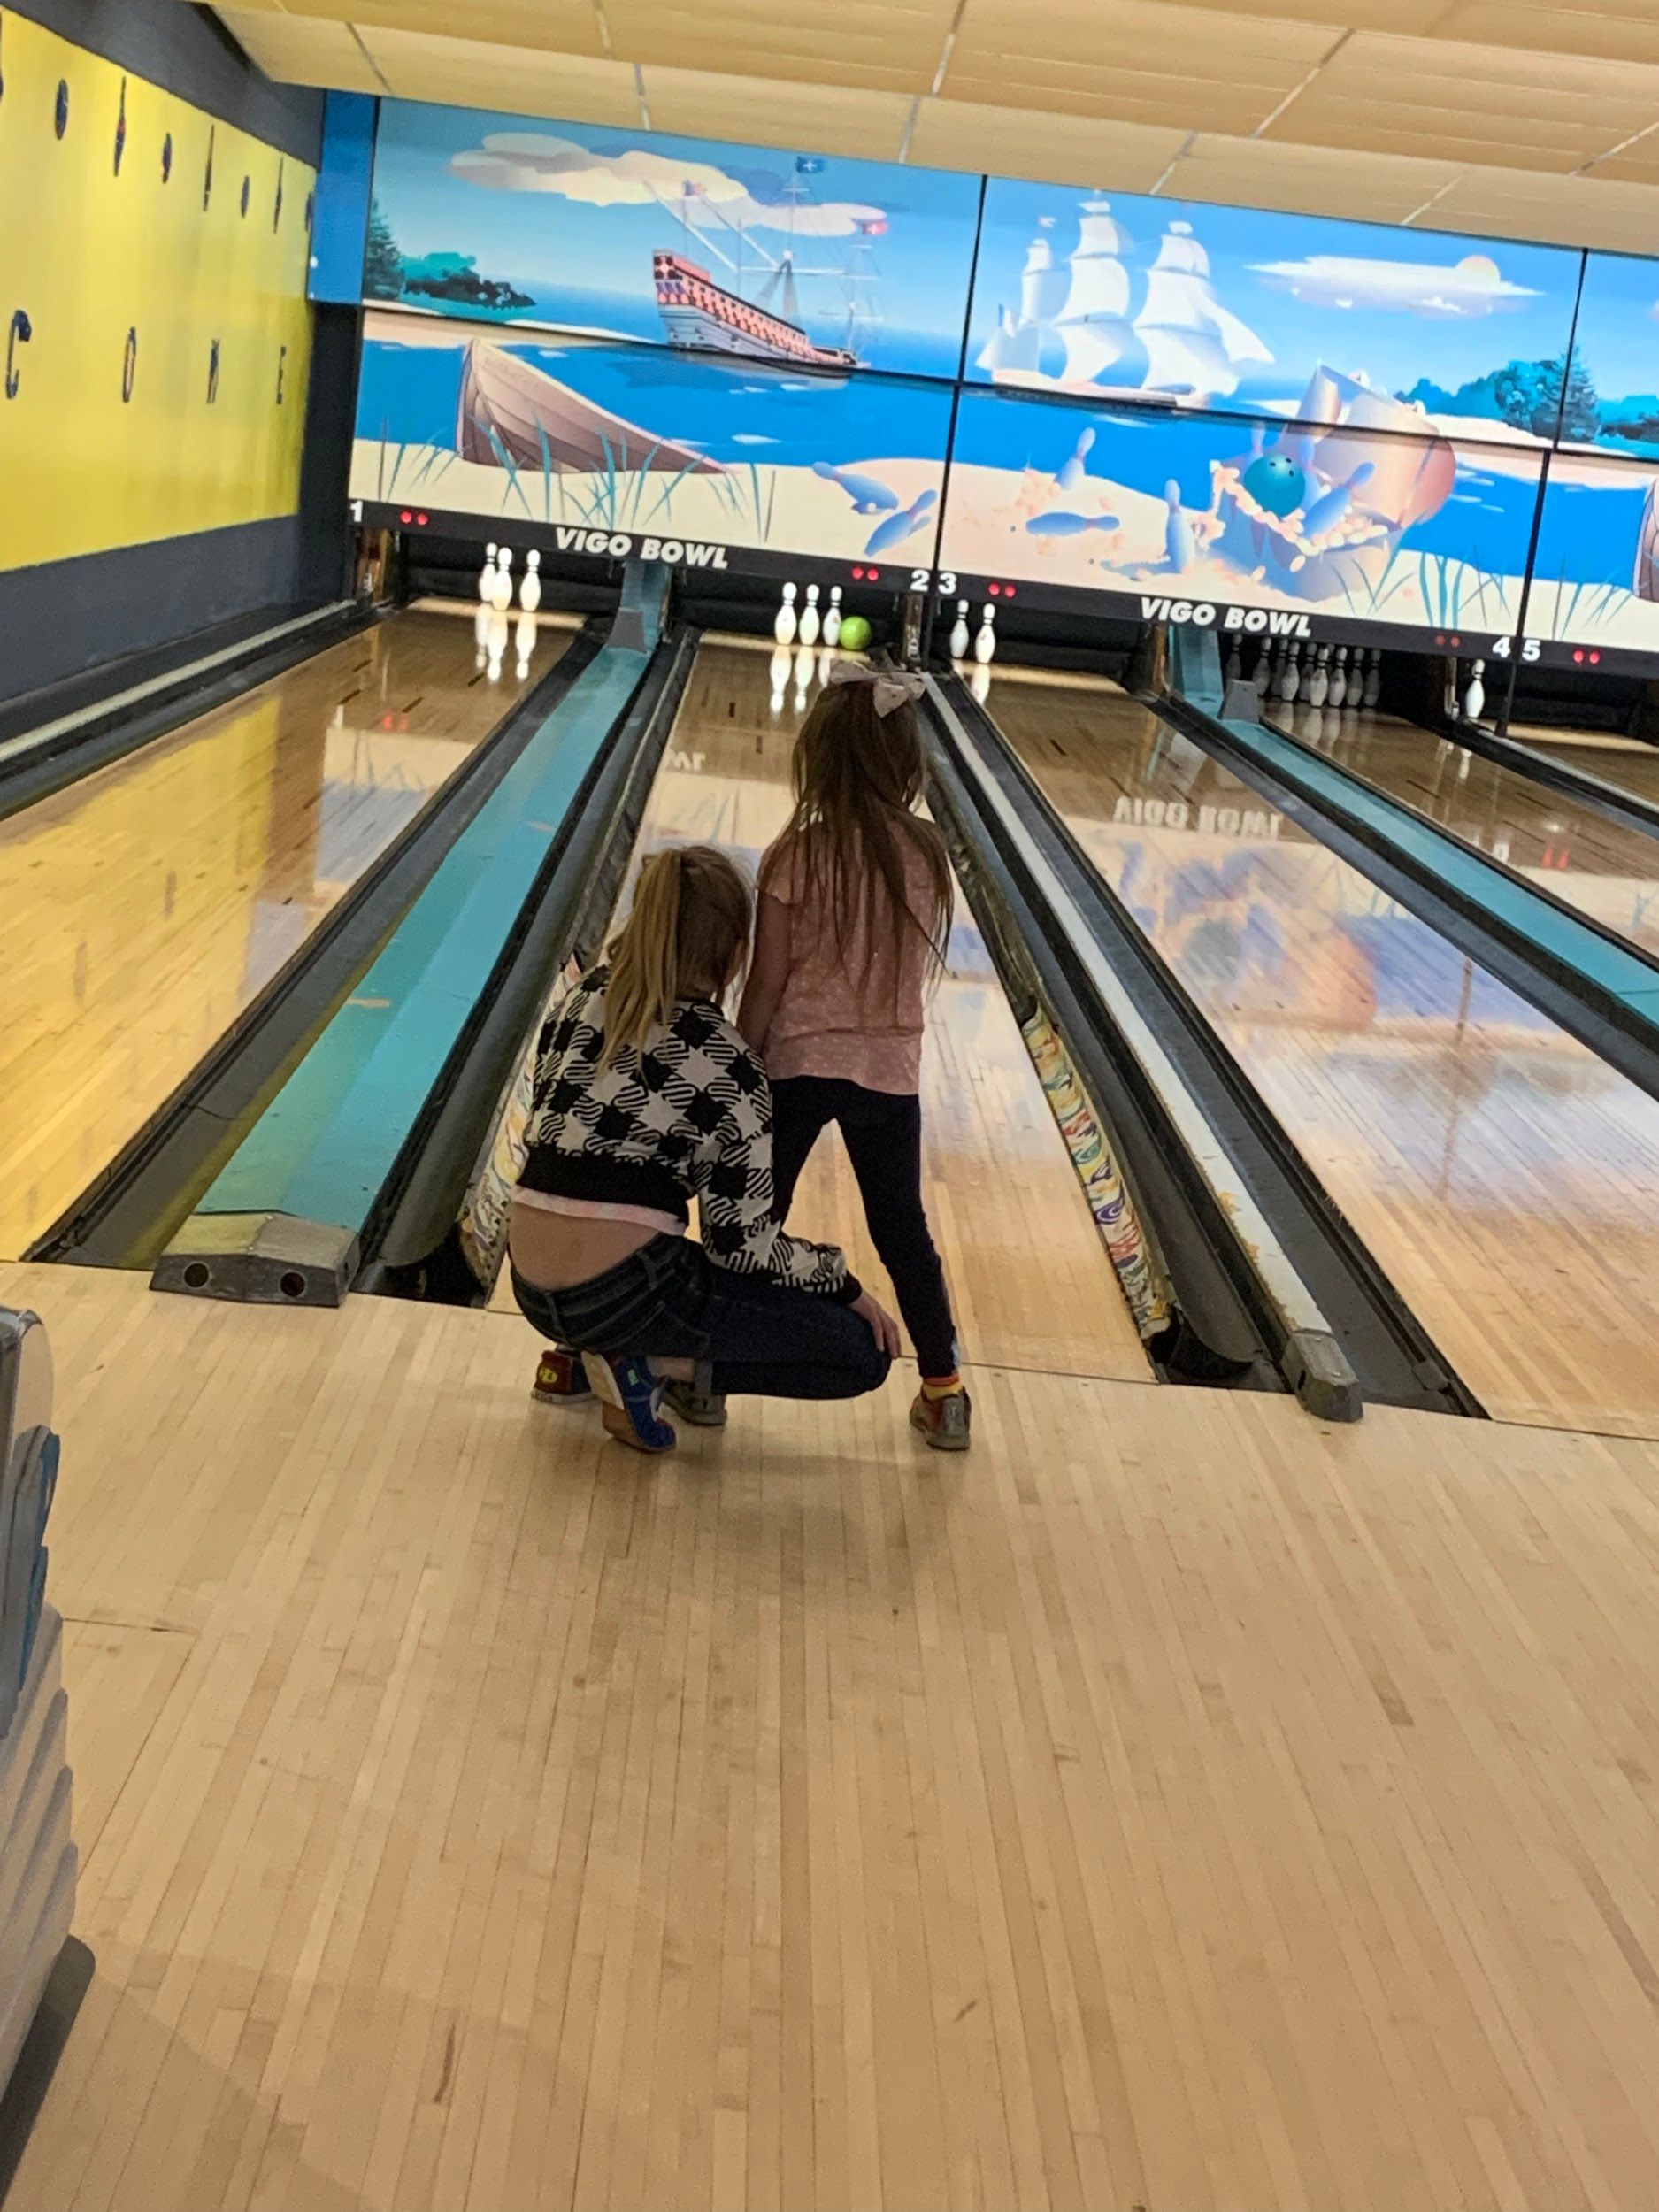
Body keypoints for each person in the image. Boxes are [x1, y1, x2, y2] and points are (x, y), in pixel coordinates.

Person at [510, 842, 899, 1454]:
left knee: (627, 1214)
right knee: (859, 1351)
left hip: (527, 1286)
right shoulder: (730, 1062)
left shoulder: (579, 1001)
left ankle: (578, 1355)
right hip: (622, 1293)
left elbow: (561, 1141)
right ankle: (646, 1367)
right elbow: (738, 1246)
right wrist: (839, 1280)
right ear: (736, 953)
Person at [739, 662, 971, 1451]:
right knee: (901, 1227)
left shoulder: (791, 856)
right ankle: (943, 1390)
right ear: (905, 763)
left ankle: (709, 1379)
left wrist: (741, 1063)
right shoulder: (927, 855)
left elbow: (767, 982)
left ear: (816, 758)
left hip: (793, 1059)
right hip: (887, 1071)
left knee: (752, 1219)